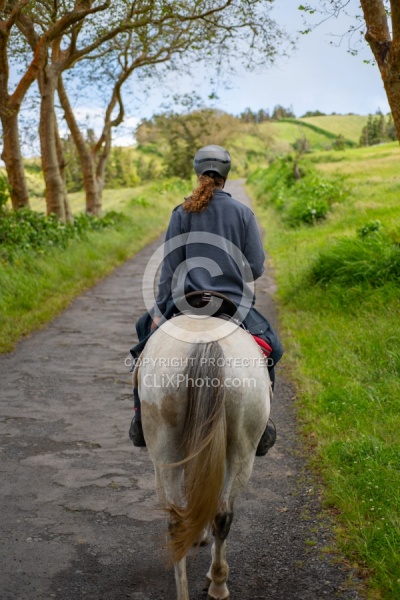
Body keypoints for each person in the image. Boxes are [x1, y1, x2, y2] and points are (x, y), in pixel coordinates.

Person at [129, 145, 283, 455]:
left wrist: (160, 310)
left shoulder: (182, 212)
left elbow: (170, 268)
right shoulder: (243, 214)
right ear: (227, 175)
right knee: (272, 348)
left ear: (197, 172)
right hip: (232, 305)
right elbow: (254, 268)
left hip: (185, 303)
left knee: (143, 343)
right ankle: (263, 423)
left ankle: (138, 417)